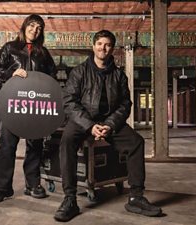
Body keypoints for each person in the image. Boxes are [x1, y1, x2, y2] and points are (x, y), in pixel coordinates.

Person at [54, 30, 162, 222]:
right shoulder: (79, 72)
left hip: (110, 121)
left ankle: (136, 197)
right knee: (67, 141)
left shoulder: (119, 76)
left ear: (112, 48)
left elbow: (125, 104)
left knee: (136, 142)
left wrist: (110, 125)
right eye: (100, 44)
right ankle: (69, 199)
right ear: (93, 46)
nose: (103, 48)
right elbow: (69, 102)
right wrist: (89, 126)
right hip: (82, 120)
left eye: (108, 45)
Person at [0, 14, 57, 204]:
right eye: (32, 25)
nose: (35, 30)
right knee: (6, 145)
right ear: (24, 27)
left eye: (39, 28)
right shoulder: (11, 48)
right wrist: (11, 73)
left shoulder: (44, 53)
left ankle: (32, 184)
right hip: (13, 105)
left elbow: (52, 75)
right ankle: (1, 188)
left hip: (35, 106)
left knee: (35, 146)